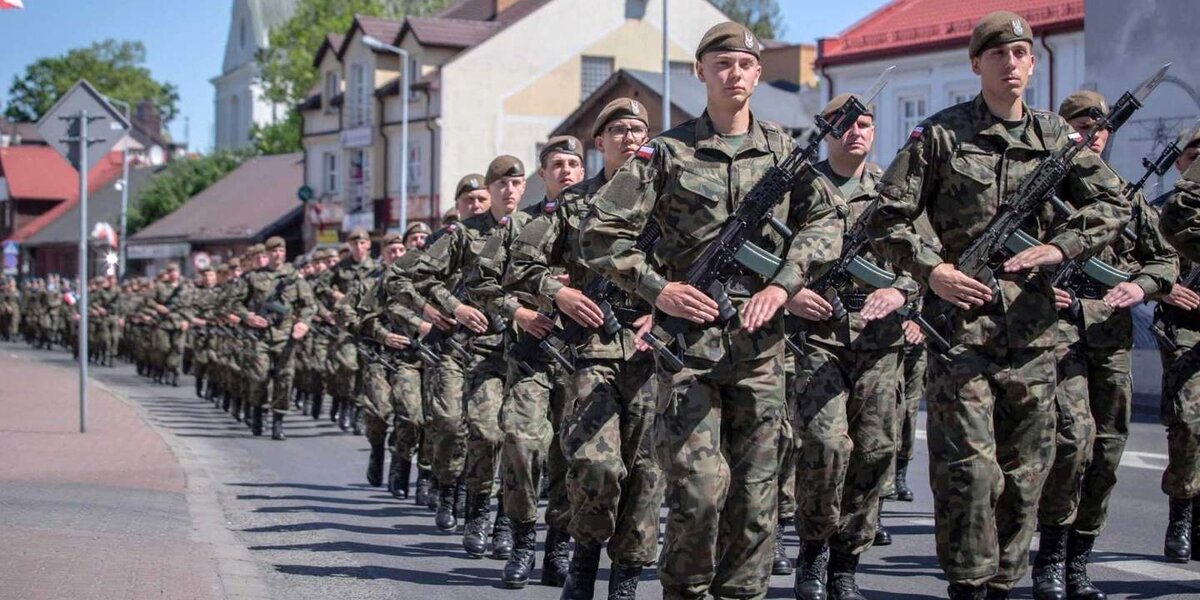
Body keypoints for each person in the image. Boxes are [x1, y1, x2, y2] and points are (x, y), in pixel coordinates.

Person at [866, 11, 1129, 599]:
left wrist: (1058, 247)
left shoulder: (1056, 139)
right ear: (976, 64)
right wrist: (933, 272)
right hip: (961, 334)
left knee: (1024, 475)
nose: (1010, 65)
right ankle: (968, 585)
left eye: (1020, 54)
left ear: (1032, 64)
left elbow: (1114, 205)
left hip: (1035, 337)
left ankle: (1005, 584)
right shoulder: (939, 136)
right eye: (997, 55)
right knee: (968, 475)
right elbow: (884, 217)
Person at [579, 21, 844, 599]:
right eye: (722, 64)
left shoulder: (782, 150)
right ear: (700, 72)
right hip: (689, 353)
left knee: (756, 499)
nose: (736, 74)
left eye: (746, 65)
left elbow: (827, 222)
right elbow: (597, 234)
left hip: (761, 351)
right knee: (699, 493)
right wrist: (657, 289)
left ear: (758, 73)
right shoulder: (667, 153)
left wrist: (784, 281)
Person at [1030, 90, 1177, 600]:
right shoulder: (1041, 193)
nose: (1094, 134)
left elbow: (1164, 263)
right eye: (1081, 126)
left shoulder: (1125, 198)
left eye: (1102, 126)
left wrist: (1141, 286)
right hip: (1057, 334)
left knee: (1108, 451)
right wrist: (1043, 287)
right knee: (1073, 443)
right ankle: (1049, 556)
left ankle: (1078, 559)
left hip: (1110, 335)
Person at [789, 92, 916, 600]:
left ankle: (847, 561)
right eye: (845, 124)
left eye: (865, 123)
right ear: (826, 129)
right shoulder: (800, 188)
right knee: (823, 444)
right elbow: (764, 252)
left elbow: (922, 253)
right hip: (817, 336)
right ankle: (814, 550)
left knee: (878, 447)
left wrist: (900, 289)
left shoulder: (893, 191)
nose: (856, 132)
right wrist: (789, 292)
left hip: (879, 338)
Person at [1151, 128, 1200, 562]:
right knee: (1188, 420)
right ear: (1180, 162)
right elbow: (1139, 263)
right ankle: (1181, 513)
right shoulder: (1166, 210)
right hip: (1184, 325)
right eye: (1193, 154)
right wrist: (1161, 288)